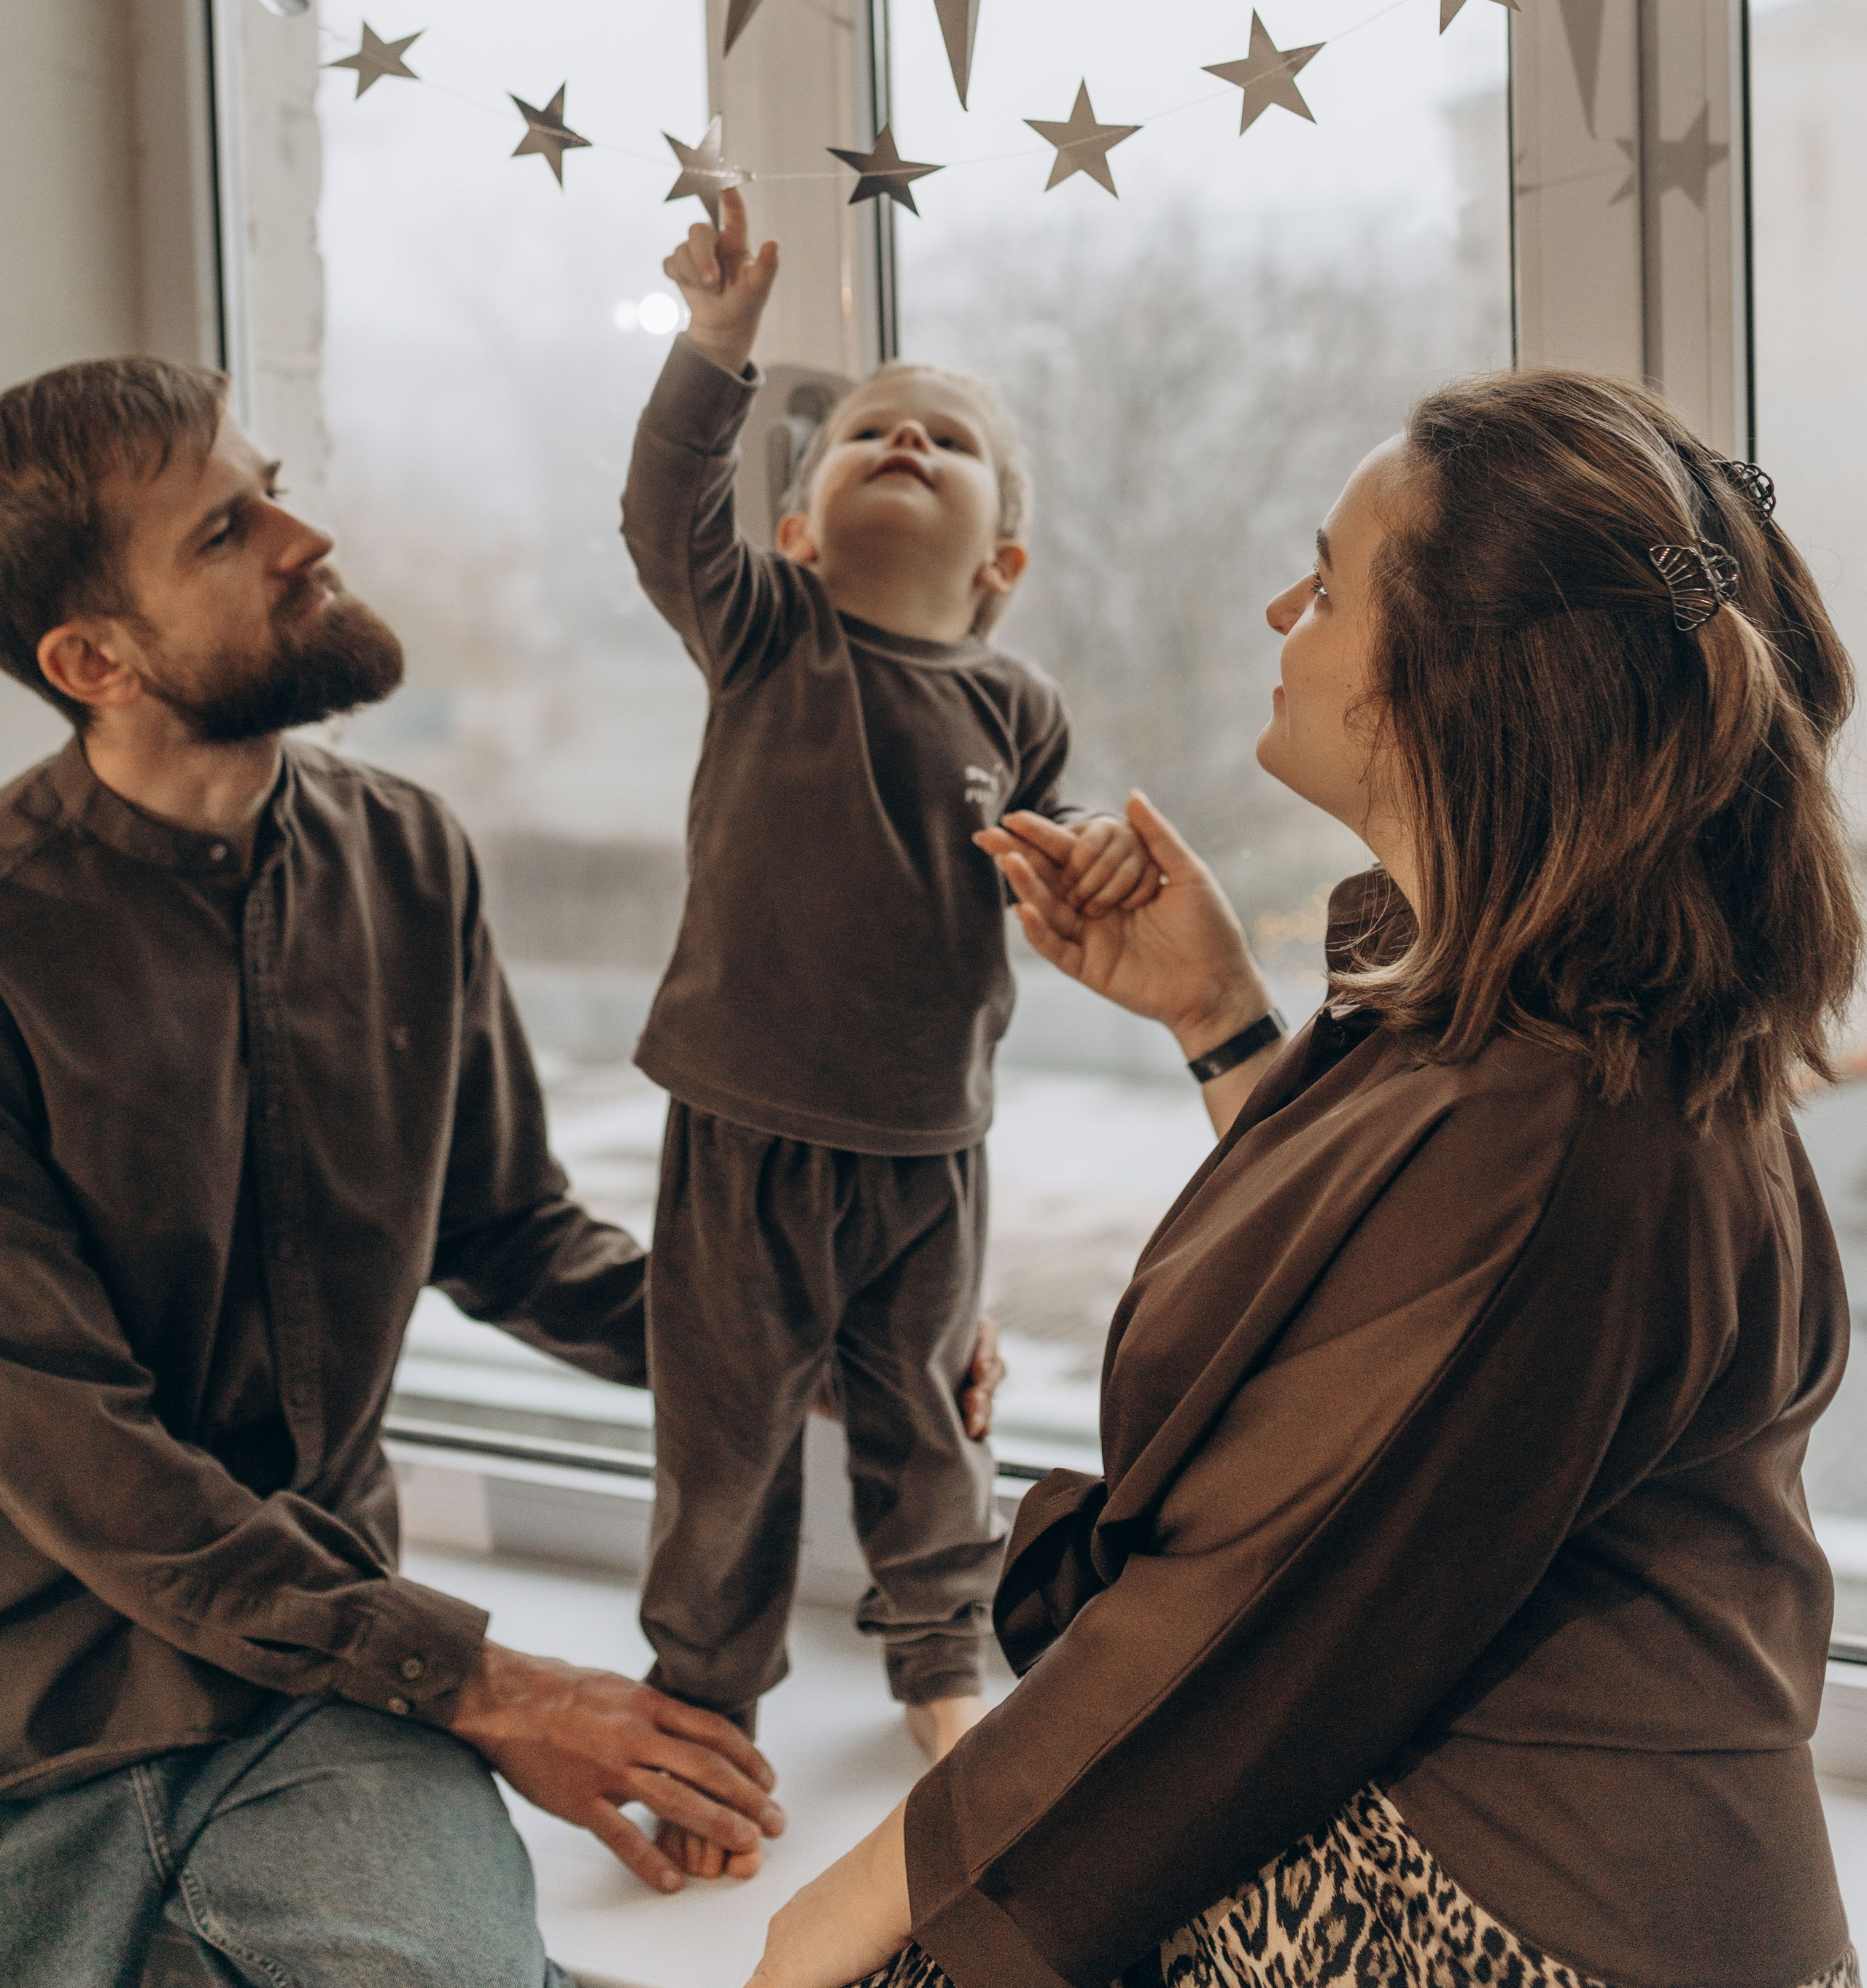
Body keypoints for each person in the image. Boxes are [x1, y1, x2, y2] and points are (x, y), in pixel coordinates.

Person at [740, 368, 1863, 1988]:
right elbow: (1395, 1336)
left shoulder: (1557, 1129)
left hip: (1520, 1924)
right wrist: (1216, 1016)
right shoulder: (1557, 1038)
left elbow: (1246, 1615)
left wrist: (846, 1915)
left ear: (1441, 693)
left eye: (1326, 586)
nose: (1283, 610)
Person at [0, 352, 800, 1987]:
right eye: (225, 532)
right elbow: (86, 1457)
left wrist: (816, 1343)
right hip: (41, 1718)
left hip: (329, 1700)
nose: (304, 539)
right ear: (94, 661)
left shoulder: (410, 853)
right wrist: (491, 1686)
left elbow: (510, 1235)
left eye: (273, 490)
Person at [623, 190, 1154, 1868]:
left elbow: (1054, 858)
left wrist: (1098, 857)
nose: (903, 441)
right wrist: (715, 350)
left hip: (931, 1147)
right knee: (723, 1442)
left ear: (999, 565)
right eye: (866, 431)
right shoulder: (765, 637)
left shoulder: (1017, 706)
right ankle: (704, 1699)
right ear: (795, 528)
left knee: (929, 1428)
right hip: (741, 1127)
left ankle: (941, 1665)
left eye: (945, 439)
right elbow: (662, 512)